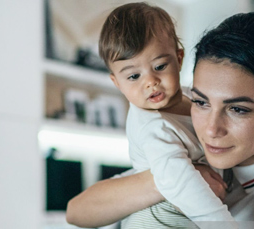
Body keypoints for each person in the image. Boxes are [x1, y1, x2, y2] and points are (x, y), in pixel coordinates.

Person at [66, 12, 254, 228]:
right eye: (200, 102)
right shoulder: (185, 150)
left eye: (237, 109)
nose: (211, 129)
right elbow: (78, 211)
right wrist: (171, 179)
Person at [89, 2, 238, 228]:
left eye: (159, 67)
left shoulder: (193, 97)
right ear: (116, 82)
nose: (150, 82)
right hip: (161, 218)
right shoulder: (153, 126)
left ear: (179, 59)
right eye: (133, 76)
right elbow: (182, 183)